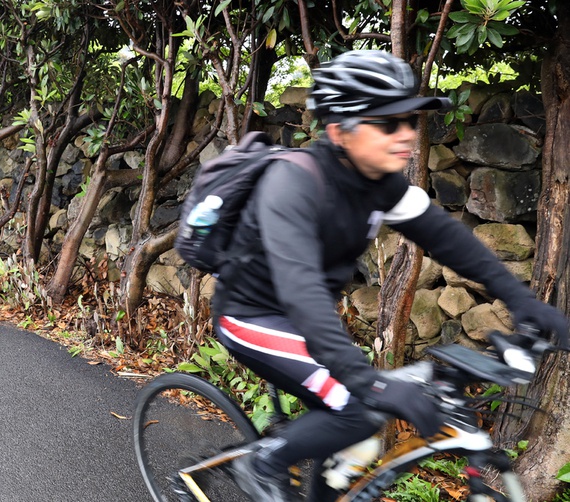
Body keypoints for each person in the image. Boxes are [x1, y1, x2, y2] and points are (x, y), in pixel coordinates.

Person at [210, 50, 568, 502]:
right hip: (253, 316)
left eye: (409, 121)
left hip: (305, 321)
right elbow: (301, 293)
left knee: (352, 421)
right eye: (386, 123)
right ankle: (262, 461)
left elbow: (451, 241)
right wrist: (369, 382)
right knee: (359, 409)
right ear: (339, 129)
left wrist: (523, 302)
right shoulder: (294, 184)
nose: (405, 135)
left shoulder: (381, 181)